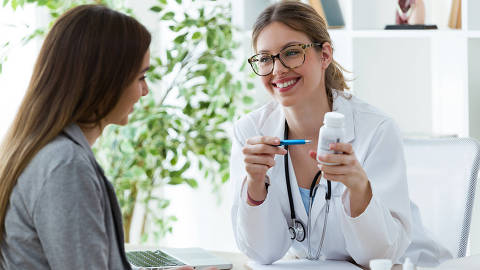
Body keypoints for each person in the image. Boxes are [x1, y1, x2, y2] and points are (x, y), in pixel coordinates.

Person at [230, 1, 451, 268]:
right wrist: (255, 185)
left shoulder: (376, 130)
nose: (277, 70)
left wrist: (358, 188)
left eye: (291, 52)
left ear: (325, 55)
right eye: (265, 58)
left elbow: (378, 256)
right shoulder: (250, 132)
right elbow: (262, 254)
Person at [0, 5, 195, 270]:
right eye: (141, 77)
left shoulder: (44, 150)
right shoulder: (65, 166)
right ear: (105, 81)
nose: (145, 91)